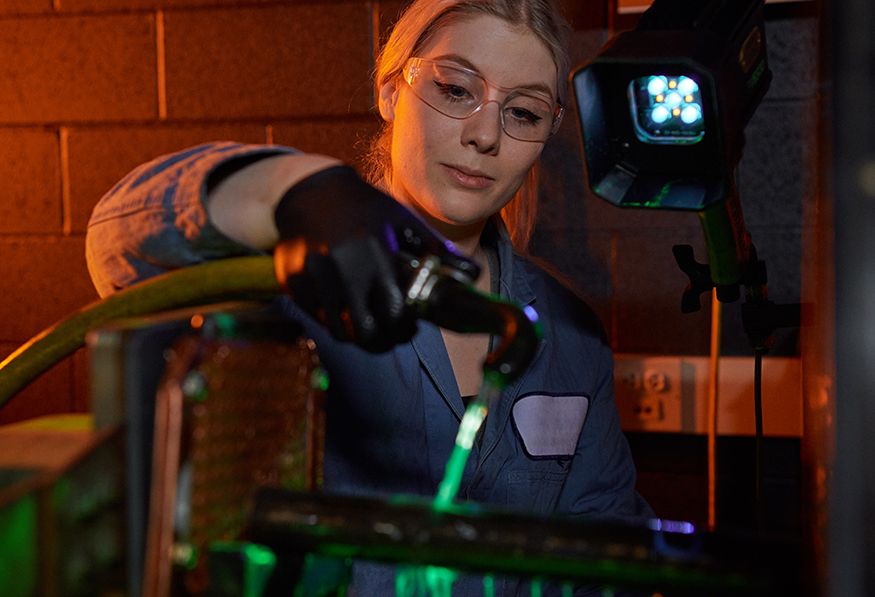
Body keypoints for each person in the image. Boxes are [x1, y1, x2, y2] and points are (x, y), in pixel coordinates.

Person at [86, 0, 653, 594]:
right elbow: (116, 245)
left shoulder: (570, 336)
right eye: (456, 90)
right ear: (389, 92)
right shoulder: (291, 284)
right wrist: (288, 190)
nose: (485, 134)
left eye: (523, 111)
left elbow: (604, 548)